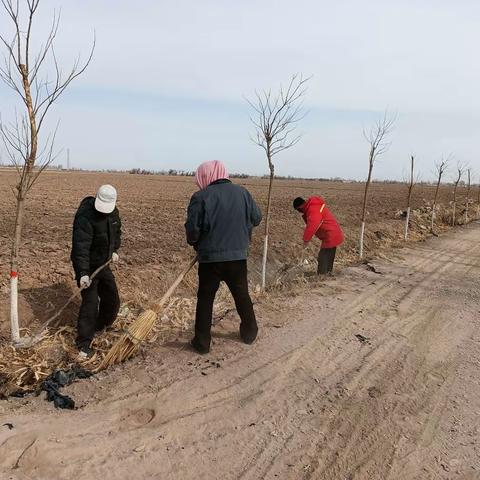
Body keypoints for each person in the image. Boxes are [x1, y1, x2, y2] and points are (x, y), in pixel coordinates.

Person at [185, 160, 262, 354]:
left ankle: (202, 342)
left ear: (205, 176)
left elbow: (193, 230)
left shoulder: (201, 197)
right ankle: (250, 332)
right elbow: (257, 218)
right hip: (237, 257)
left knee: (205, 298)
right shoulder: (243, 193)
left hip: (210, 260)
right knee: (241, 293)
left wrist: (196, 243)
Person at [71, 184, 121, 359]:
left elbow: (116, 233)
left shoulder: (114, 213)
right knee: (90, 304)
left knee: (112, 298)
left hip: (103, 264)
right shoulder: (85, 217)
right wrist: (83, 273)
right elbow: (80, 248)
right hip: (88, 266)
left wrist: (115, 250)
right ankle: (83, 344)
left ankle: (101, 326)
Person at [293, 196, 344, 275]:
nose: (300, 212)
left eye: (298, 210)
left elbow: (313, 225)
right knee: (329, 254)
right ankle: (328, 273)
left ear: (300, 207)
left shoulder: (312, 209)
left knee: (323, 256)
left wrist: (306, 240)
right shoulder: (313, 206)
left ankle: (322, 275)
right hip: (333, 232)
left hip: (330, 233)